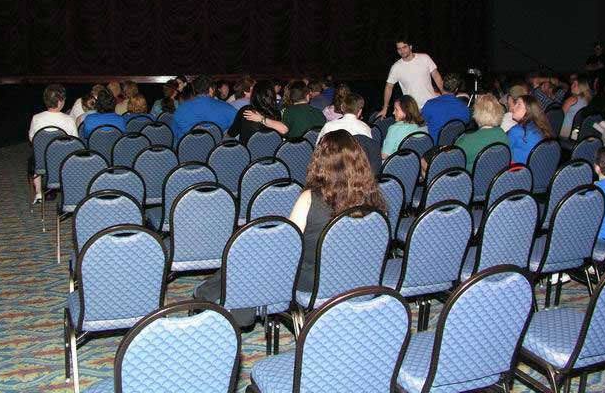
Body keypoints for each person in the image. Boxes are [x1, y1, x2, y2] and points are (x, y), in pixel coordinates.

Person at [193, 130, 386, 326]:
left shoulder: (310, 199)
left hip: (313, 283)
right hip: (361, 278)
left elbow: (288, 247)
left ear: (321, 163)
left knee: (250, 251)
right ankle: (221, 297)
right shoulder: (375, 202)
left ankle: (212, 296)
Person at [28, 84, 78, 203]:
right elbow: (76, 142)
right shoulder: (69, 120)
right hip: (63, 162)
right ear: (60, 102)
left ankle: (39, 193)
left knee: (35, 160)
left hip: (43, 161)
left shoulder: (36, 118)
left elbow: (32, 139)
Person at [379, 35, 444, 114]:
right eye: (399, 49)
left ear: (410, 46)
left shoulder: (425, 58)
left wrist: (444, 93)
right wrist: (385, 107)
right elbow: (389, 87)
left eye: (404, 47)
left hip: (432, 104)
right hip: (414, 110)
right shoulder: (396, 67)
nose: (402, 51)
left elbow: (436, 76)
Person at [454, 94, 509, 172]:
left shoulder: (468, 140)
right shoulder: (503, 135)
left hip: (470, 181)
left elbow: (453, 161)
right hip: (495, 181)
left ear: (476, 112)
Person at [171, 75, 237, 140]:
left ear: (194, 90)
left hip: (189, 149)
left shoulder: (180, 109)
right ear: (211, 90)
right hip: (218, 149)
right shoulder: (229, 109)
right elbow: (234, 132)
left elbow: (175, 133)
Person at [420, 73, 471, 144]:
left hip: (434, 150)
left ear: (442, 84)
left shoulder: (430, 105)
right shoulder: (465, 109)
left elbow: (420, 123)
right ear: (456, 89)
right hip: (456, 149)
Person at [507, 95, 554, 164]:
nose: (514, 107)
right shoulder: (541, 127)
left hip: (518, 171)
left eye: (519, 105)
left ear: (528, 110)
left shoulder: (516, 131)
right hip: (539, 169)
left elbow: (505, 156)